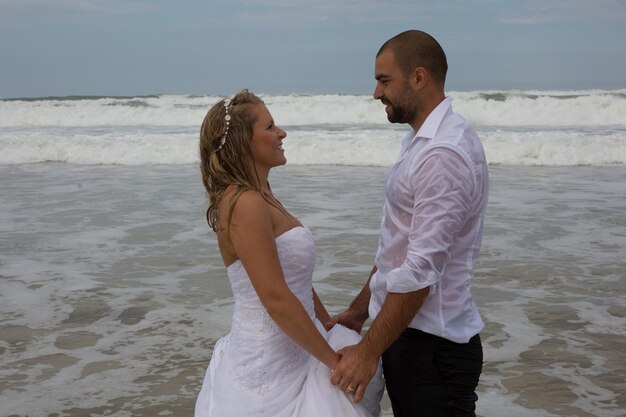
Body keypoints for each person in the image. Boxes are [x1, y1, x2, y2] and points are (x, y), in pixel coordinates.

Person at [327, 30, 489, 417]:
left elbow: (420, 270)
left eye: (384, 81)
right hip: (406, 336)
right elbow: (398, 248)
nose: (376, 93)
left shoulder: (442, 155)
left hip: (434, 350)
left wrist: (368, 351)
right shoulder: (421, 142)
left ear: (419, 78)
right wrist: (358, 310)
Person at [194, 89, 384, 417]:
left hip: (298, 350)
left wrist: (327, 326)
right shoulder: (245, 202)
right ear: (243, 141)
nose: (281, 133)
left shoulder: (262, 194)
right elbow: (276, 299)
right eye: (270, 127)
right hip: (268, 370)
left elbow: (294, 280)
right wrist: (334, 362)